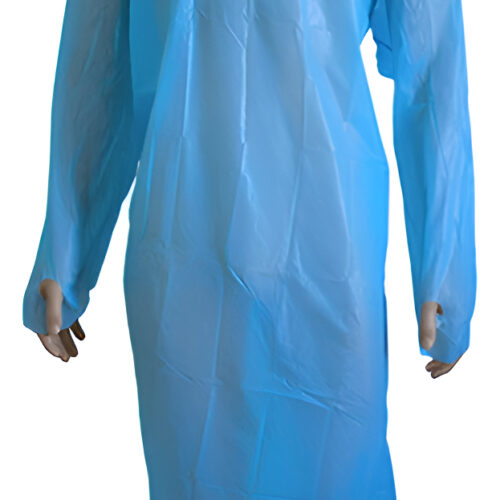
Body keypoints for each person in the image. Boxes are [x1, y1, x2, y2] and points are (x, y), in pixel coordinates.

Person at [23, 0, 476, 498]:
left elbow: (432, 69)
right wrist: (65, 252)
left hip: (328, 261)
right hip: (183, 261)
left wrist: (444, 271)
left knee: (338, 475)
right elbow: (98, 67)